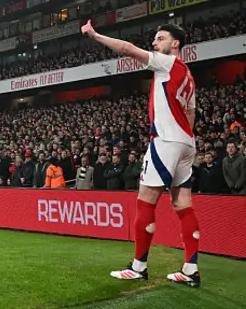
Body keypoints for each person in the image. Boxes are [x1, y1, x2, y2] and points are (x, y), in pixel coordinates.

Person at [82, 21, 201, 287]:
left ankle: (138, 267)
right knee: (184, 206)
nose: (154, 43)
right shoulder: (189, 75)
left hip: (166, 140)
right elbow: (191, 112)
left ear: (175, 44)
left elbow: (127, 48)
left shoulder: (167, 63)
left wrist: (94, 35)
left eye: (160, 38)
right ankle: (191, 270)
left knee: (145, 202)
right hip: (185, 142)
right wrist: (183, 137)